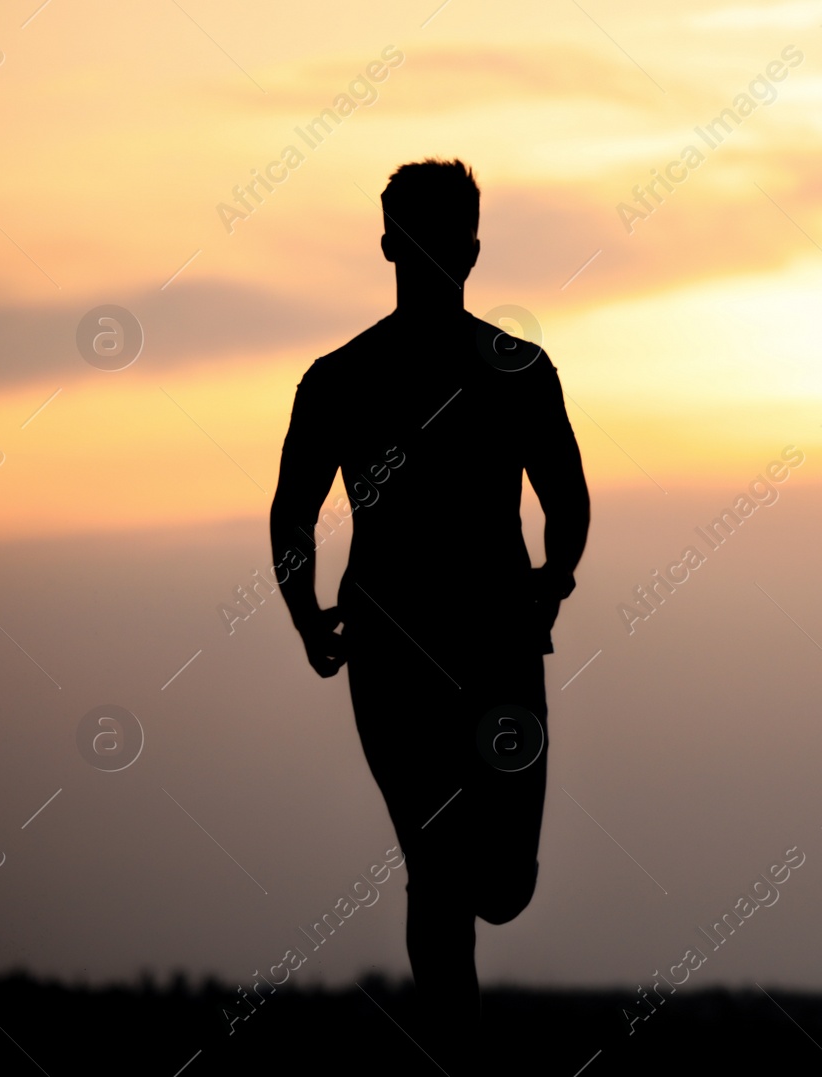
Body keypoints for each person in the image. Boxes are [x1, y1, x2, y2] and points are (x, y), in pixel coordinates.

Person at [268, 157, 590, 1069]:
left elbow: (566, 499)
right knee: (439, 870)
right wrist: (306, 611)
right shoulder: (341, 378)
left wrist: (550, 583)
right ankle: (462, 1071)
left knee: (501, 884)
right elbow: (293, 513)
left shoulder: (516, 372)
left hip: (493, 645)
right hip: (399, 651)